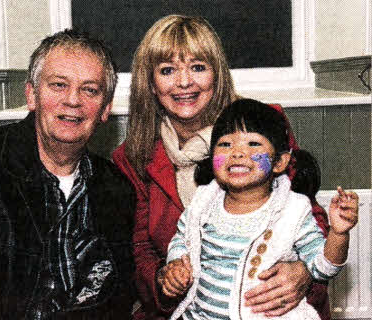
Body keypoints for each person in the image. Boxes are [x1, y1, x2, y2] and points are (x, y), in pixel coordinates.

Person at [112, 15, 331, 319]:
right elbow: (140, 250)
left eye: (198, 67)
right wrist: (164, 280)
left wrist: (305, 273)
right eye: (167, 70)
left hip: (271, 307)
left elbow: (309, 214)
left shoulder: (263, 126)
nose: (184, 82)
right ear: (150, 83)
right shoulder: (133, 156)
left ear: (217, 75)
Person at [0, 29, 136, 319]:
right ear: (32, 95)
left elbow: (118, 297)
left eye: (90, 90)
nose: (73, 100)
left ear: (105, 108)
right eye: (58, 85)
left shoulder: (116, 187)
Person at [161, 99, 359, 320]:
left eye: (253, 144)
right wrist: (176, 264)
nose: (236, 152)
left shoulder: (292, 211)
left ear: (280, 162)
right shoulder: (202, 204)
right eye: (225, 144)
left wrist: (339, 233)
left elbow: (323, 268)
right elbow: (182, 239)